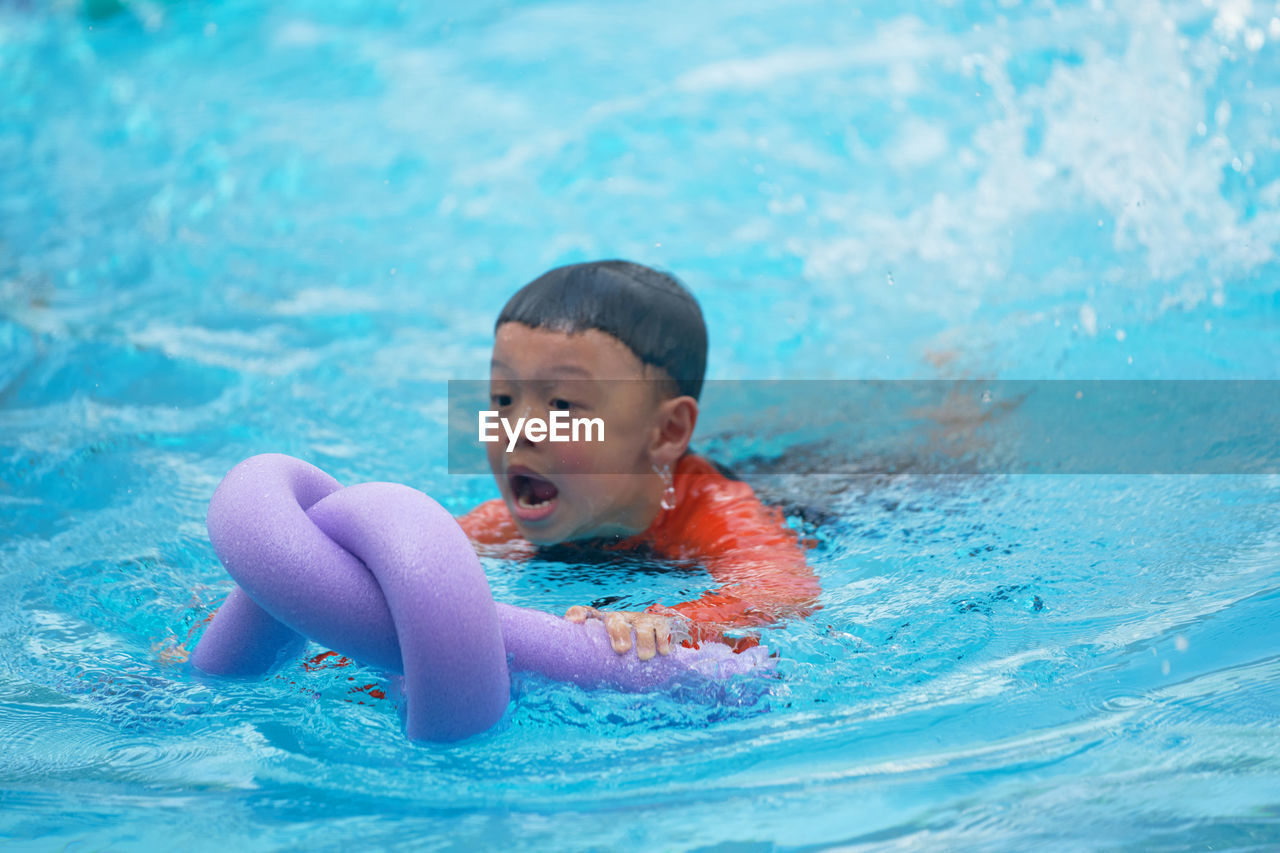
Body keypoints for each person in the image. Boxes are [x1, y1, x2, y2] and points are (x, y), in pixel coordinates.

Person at [457, 260, 821, 661]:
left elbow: (782, 590)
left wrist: (674, 622)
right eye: (503, 399)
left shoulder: (713, 507)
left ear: (666, 431)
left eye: (561, 405)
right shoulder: (515, 516)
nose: (519, 430)